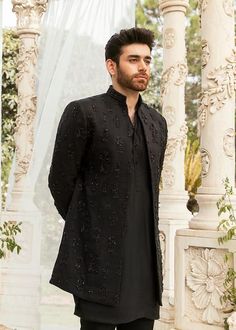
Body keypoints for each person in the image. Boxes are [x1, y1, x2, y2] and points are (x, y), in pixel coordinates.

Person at [48, 27, 168, 330]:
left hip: (145, 267)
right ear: (112, 66)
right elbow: (59, 181)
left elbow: (151, 186)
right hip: (98, 261)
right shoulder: (84, 113)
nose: (143, 67)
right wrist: (91, 227)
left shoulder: (157, 123)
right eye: (134, 59)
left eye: (148, 60)